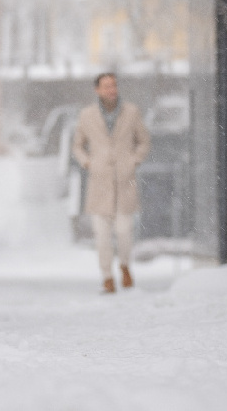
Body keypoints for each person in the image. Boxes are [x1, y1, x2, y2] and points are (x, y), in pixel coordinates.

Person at [72, 73, 150, 294]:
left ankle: (125, 265)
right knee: (102, 235)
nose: (111, 90)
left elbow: (143, 141)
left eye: (114, 85)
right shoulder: (87, 115)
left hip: (125, 181)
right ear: (97, 89)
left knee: (125, 231)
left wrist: (134, 160)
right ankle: (107, 277)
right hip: (99, 183)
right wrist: (87, 162)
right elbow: (77, 145)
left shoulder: (131, 112)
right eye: (106, 86)